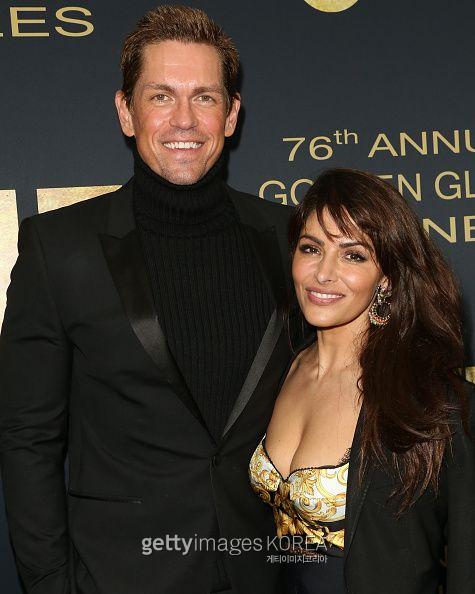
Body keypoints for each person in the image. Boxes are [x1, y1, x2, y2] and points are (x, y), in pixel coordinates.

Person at [0, 5, 296, 594]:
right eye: (161, 96)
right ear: (125, 112)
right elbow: (28, 438)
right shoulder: (59, 250)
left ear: (232, 114)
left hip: (264, 573)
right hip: (118, 576)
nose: (184, 120)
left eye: (206, 97)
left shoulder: (293, 240)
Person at [249, 168, 475, 594]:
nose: (323, 274)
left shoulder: (432, 402)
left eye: (353, 255)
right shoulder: (279, 368)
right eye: (311, 248)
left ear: (387, 276)